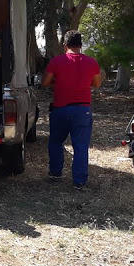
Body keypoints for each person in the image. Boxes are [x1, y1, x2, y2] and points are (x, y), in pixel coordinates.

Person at [42, 30, 101, 189]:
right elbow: (96, 84)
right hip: (82, 110)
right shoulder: (92, 62)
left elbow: (45, 82)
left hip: (60, 109)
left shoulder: (56, 61)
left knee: (55, 142)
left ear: (65, 45)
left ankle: (55, 173)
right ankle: (79, 181)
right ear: (81, 46)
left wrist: (57, 81)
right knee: (80, 146)